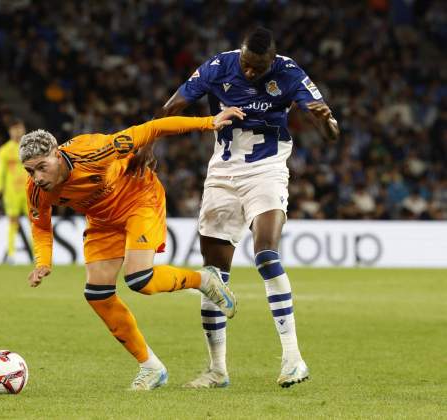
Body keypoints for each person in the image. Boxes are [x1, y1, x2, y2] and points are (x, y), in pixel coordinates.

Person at [130, 26, 339, 388]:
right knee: (213, 275)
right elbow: (174, 105)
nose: (249, 72)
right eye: (246, 63)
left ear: (271, 61)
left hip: (267, 171)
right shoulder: (219, 66)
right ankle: (217, 370)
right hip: (223, 173)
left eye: (258, 67)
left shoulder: (290, 73)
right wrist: (149, 141)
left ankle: (293, 359)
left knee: (267, 256)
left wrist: (325, 122)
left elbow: (331, 132)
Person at [21, 108, 241, 390]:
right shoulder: (36, 189)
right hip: (102, 220)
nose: (37, 177)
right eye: (30, 171)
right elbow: (40, 227)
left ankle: (204, 280)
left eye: (42, 167)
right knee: (97, 294)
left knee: (140, 279)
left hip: (139, 199)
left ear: (56, 153)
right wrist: (43, 262)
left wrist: (207, 122)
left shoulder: (94, 151)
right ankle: (151, 367)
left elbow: (151, 129)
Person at [0, 118, 27, 264]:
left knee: (37, 222)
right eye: (14, 129)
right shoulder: (4, 150)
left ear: (24, 130)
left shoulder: (32, 148)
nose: (17, 132)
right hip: (12, 191)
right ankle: (12, 254)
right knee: (13, 221)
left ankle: (40, 255)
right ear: (10, 132)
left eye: (19, 128)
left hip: (30, 190)